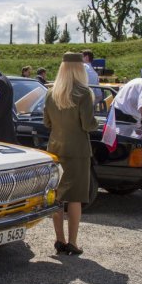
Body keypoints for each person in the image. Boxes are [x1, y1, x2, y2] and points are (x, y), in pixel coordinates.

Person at [43, 52, 98, 256]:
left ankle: (59, 239)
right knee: (75, 198)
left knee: (57, 197)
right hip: (78, 150)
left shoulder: (51, 92)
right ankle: (73, 242)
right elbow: (88, 124)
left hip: (55, 148)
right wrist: (98, 123)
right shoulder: (83, 93)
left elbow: (46, 122)